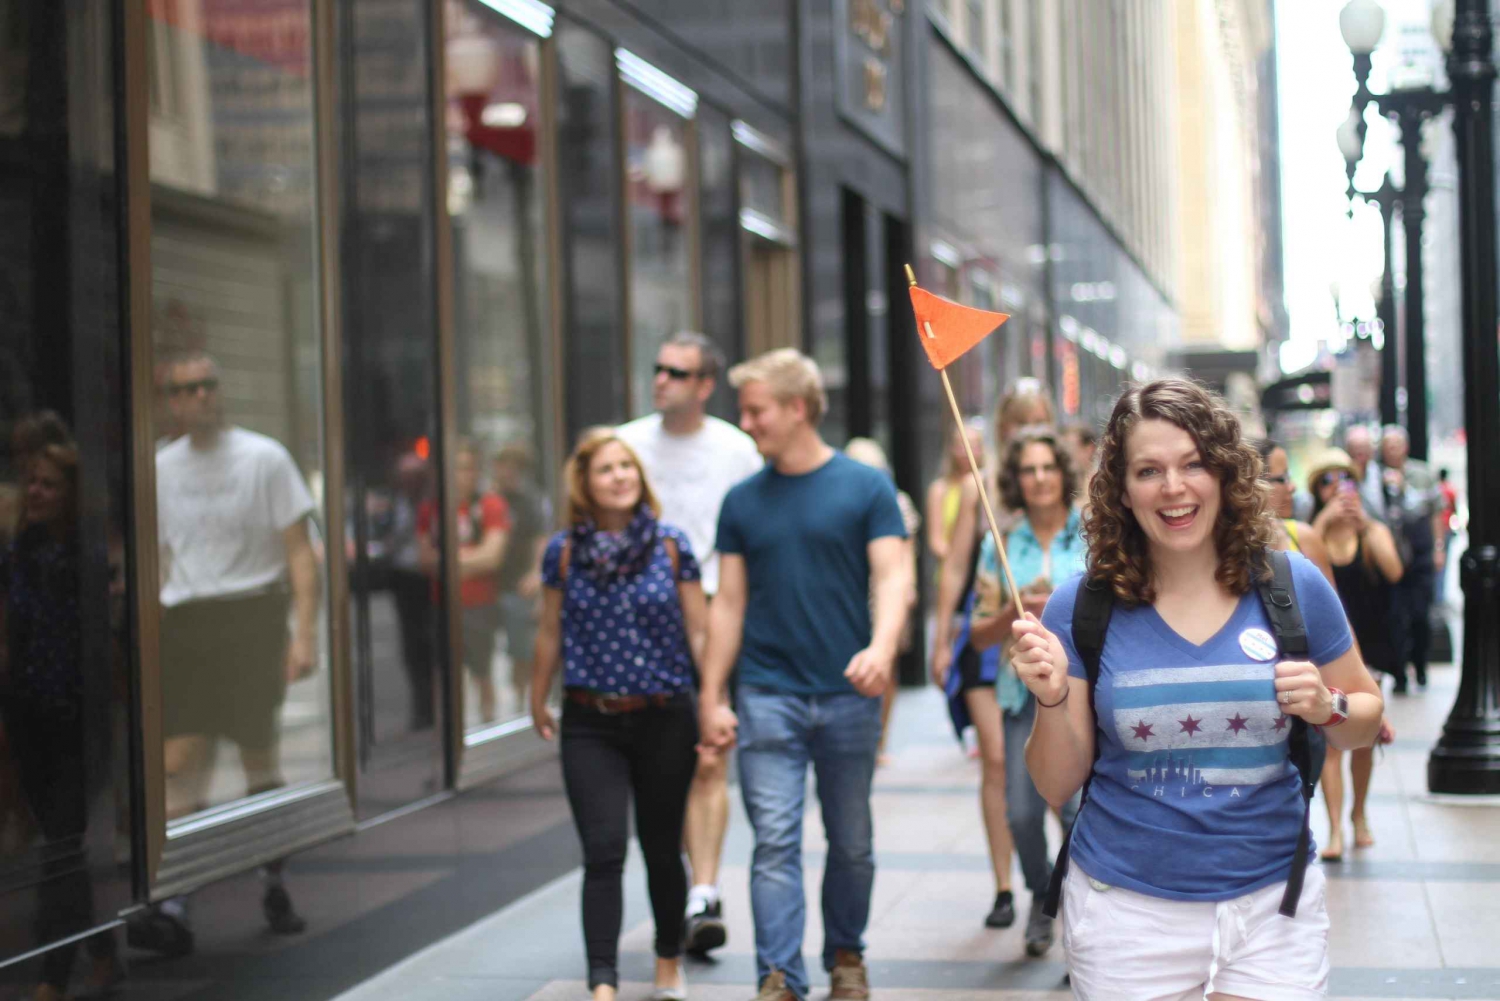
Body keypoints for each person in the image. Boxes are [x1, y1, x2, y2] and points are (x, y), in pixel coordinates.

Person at [1010, 379, 1384, 999]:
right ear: (1122, 491)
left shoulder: (1291, 585)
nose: (1174, 488)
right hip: (1125, 913)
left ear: (1224, 472)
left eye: (1192, 464)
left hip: (1273, 905)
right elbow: (1054, 783)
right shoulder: (1082, 606)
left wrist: (1328, 706)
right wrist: (1050, 699)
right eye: (1149, 470)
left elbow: (1367, 717)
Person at [697, 349, 910, 1001]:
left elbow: (895, 574)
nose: (746, 421)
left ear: (796, 408)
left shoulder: (864, 487)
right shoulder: (740, 501)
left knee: (850, 841)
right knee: (774, 842)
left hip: (848, 694)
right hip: (766, 694)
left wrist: (881, 646)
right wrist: (711, 694)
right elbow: (727, 603)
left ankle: (847, 954)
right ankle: (780, 974)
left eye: (756, 409)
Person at [136, 351, 320, 953]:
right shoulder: (159, 468)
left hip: (251, 615)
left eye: (208, 385)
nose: (199, 397)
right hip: (187, 619)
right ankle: (176, 898)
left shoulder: (264, 457)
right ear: (171, 401)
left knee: (257, 756)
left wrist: (304, 633)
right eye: (185, 389)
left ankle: (274, 880)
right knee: (179, 761)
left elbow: (299, 550)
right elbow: (155, 556)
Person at [530, 427, 707, 1001]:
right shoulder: (562, 552)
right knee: (602, 849)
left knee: (661, 845)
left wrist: (714, 703)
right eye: (606, 469)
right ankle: (602, 982)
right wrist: (537, 695)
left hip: (665, 716)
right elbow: (550, 629)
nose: (620, 477)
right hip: (590, 721)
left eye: (627, 466)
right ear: (584, 483)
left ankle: (666, 962)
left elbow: (699, 633)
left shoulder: (673, 545)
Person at [617, 331, 762, 954]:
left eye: (676, 372)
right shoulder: (626, 443)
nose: (661, 380)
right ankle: (680, 882)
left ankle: (704, 891)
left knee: (708, 753)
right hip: (638, 623)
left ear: (704, 385)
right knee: (662, 764)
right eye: (657, 369)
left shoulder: (734, 450)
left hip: (709, 611)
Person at [2, 435, 124, 1001]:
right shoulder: (18, 552)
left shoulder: (89, 557)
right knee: (59, 839)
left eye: (49, 483)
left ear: (71, 492)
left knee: (63, 845)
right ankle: (102, 949)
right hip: (30, 715)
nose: (36, 491)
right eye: (31, 481)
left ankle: (52, 976)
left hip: (80, 716)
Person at [929, 383, 1054, 929]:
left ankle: (1053, 877)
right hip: (987, 643)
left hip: (1046, 641)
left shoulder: (1056, 482)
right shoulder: (984, 487)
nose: (1024, 432)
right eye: (1015, 423)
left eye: (1036, 421)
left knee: (1050, 766)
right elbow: (955, 566)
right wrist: (940, 638)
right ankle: (1007, 883)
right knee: (999, 760)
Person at [966, 429, 1085, 958]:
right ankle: (1042, 891)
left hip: (1083, 691)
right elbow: (975, 632)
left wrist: (1060, 610)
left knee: (1076, 812)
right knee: (1019, 812)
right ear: (1016, 481)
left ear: (1063, 473)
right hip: (1020, 697)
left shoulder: (1093, 535)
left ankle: (1079, 926)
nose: (1039, 479)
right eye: (1028, 470)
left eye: (1047, 468)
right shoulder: (999, 543)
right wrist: (1019, 617)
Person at [1306, 449, 1403, 859]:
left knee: (1364, 740)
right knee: (1330, 741)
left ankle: (1358, 815)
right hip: (1324, 652)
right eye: (1327, 481)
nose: (1336, 488)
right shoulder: (1314, 534)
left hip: (1369, 650)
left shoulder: (1371, 531)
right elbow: (1301, 569)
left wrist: (1364, 526)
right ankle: (1334, 830)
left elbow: (1394, 571)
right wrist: (1323, 524)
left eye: (1344, 480)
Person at [418, 439, 510, 723]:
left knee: (482, 672)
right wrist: (470, 559)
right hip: (442, 602)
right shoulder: (430, 509)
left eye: (468, 468)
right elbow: (424, 559)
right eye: (456, 468)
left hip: (479, 604)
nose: (462, 475)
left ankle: (488, 721)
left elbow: (492, 557)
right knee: (446, 674)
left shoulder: (489, 504)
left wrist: (447, 561)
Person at [844, 437, 922, 765]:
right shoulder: (842, 498)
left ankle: (880, 738)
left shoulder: (895, 500)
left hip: (884, 591)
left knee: (886, 665)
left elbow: (908, 548)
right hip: (852, 592)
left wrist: (909, 587)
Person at [1374, 425, 1442, 691]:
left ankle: (1421, 664)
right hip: (1391, 554)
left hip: (1420, 552)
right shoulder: (1375, 475)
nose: (1392, 450)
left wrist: (1439, 548)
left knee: (1420, 615)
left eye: (1397, 445)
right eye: (1387, 445)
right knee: (1395, 616)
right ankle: (1400, 672)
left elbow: (1434, 511)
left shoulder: (1422, 474)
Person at [492, 443, 549, 712]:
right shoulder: (490, 498)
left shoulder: (531, 500)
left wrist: (536, 573)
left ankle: (521, 703)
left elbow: (541, 538)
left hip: (518, 584)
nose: (507, 472)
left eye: (513, 467)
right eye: (503, 465)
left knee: (520, 650)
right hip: (491, 582)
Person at [1260, 440, 1335, 583]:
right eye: (1283, 479)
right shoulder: (1223, 553)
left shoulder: (1302, 536)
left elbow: (1328, 604)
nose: (1292, 487)